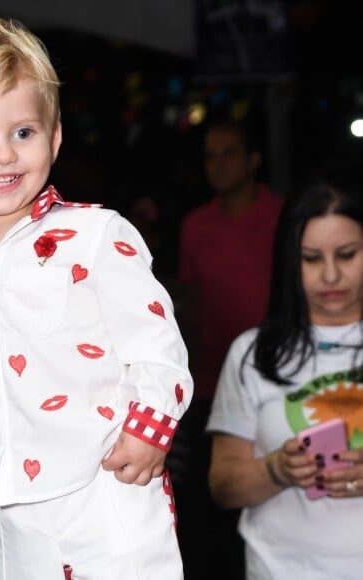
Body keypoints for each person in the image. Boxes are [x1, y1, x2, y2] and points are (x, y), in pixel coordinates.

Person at [0, 12, 193, 580]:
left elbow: (157, 345)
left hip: (108, 491)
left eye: (23, 132)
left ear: (53, 137)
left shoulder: (97, 235)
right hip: (13, 513)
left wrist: (149, 425)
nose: (4, 155)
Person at [207, 179, 363, 579]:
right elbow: (223, 485)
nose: (330, 275)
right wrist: (277, 469)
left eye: (347, 255)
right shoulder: (254, 353)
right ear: (290, 263)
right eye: (311, 258)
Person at [167, 116, 283, 579]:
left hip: (272, 379)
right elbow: (190, 301)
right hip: (211, 382)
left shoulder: (281, 215)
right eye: (210, 155)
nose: (218, 164)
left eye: (229, 152)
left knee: (274, 485)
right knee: (211, 501)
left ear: (254, 159)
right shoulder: (196, 225)